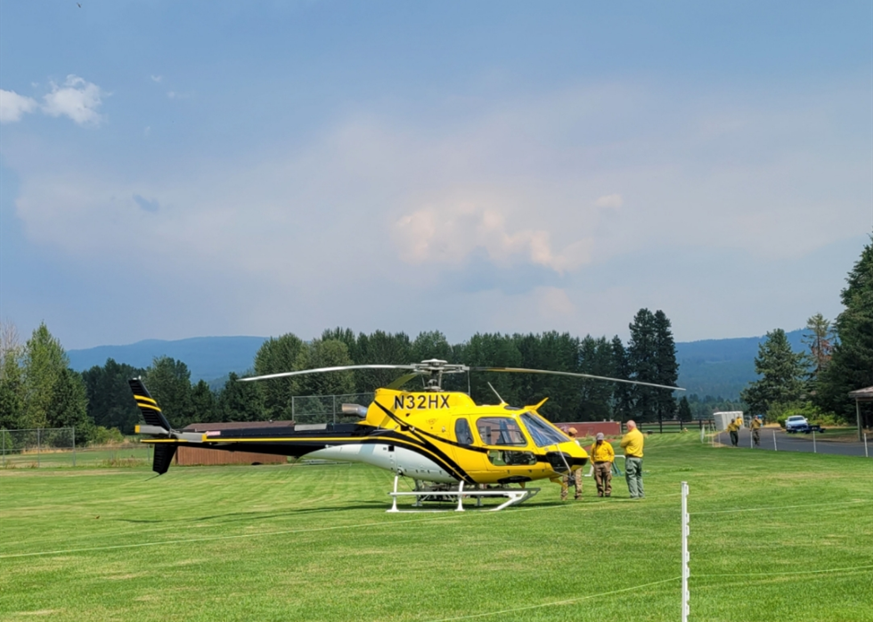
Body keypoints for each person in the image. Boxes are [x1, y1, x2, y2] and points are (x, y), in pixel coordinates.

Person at [620, 420, 645, 499]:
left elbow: (622, 444)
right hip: (639, 458)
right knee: (639, 476)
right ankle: (641, 494)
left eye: (627, 427)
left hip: (631, 458)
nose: (627, 428)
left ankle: (634, 494)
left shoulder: (630, 435)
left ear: (630, 427)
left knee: (631, 476)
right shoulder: (640, 434)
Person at [590, 432, 615, 497]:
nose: (600, 441)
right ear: (596, 439)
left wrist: (610, 462)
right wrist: (593, 463)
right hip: (597, 464)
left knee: (607, 478)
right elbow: (591, 455)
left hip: (606, 463)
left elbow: (612, 454)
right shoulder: (594, 445)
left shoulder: (607, 445)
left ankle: (607, 492)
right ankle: (600, 492)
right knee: (598, 479)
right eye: (599, 439)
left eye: (601, 439)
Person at [561, 427, 582, 501]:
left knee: (565, 480)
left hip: (566, 463)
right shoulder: (576, 442)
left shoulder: (564, 442)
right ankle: (578, 495)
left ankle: (564, 496)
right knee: (578, 480)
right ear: (574, 434)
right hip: (576, 462)